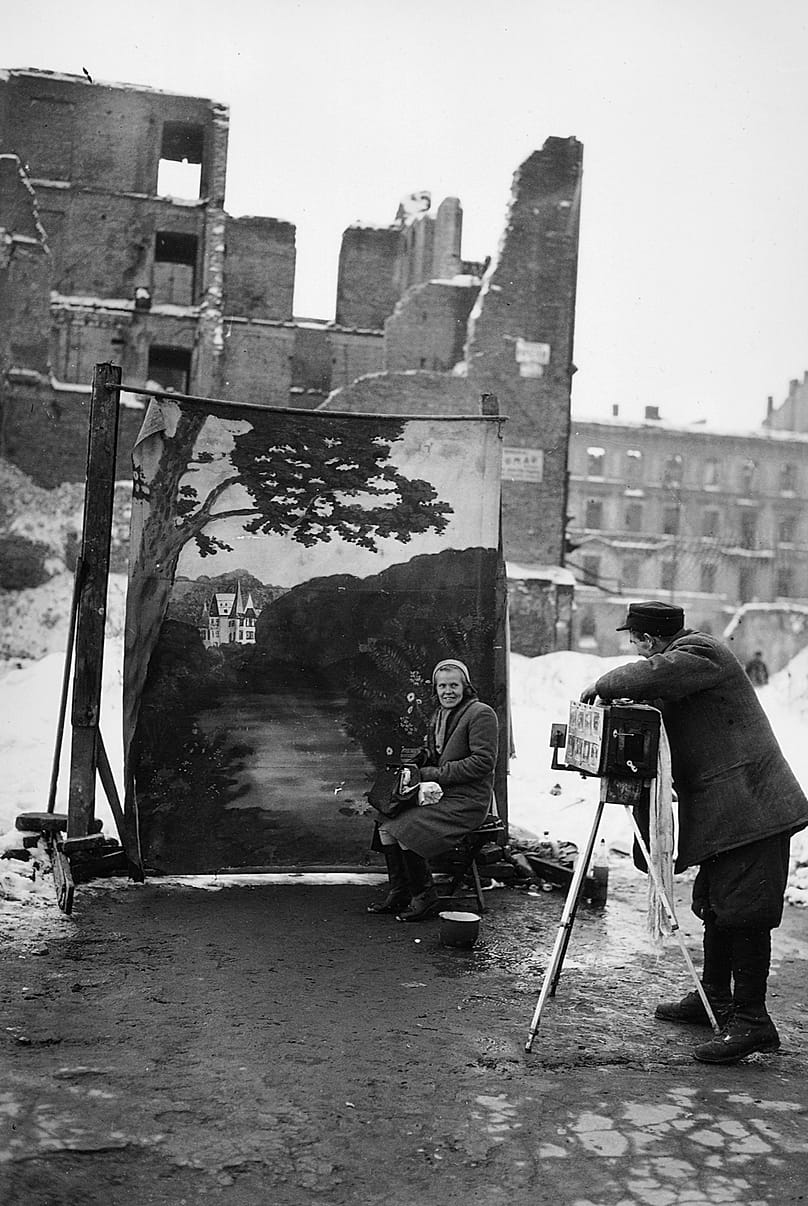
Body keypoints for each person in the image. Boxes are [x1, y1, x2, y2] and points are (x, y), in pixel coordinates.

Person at [580, 601, 808, 1065]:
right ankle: (714, 999)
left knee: (745, 912)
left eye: (635, 641)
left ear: (650, 640)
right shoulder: (682, 674)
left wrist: (603, 685)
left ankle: (753, 1021)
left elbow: (655, 674)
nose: (635, 650)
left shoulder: (703, 653)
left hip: (754, 809)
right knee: (716, 906)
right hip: (729, 814)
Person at [366, 658, 499, 922]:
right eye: (442, 686)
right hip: (442, 793)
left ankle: (425, 898)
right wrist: (421, 759)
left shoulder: (481, 714)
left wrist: (431, 773)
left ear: (465, 687)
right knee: (385, 821)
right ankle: (400, 892)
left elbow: (483, 762)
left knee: (406, 827)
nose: (448, 691)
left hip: (468, 801)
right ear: (436, 689)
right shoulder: (440, 714)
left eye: (454, 685)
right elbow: (437, 752)